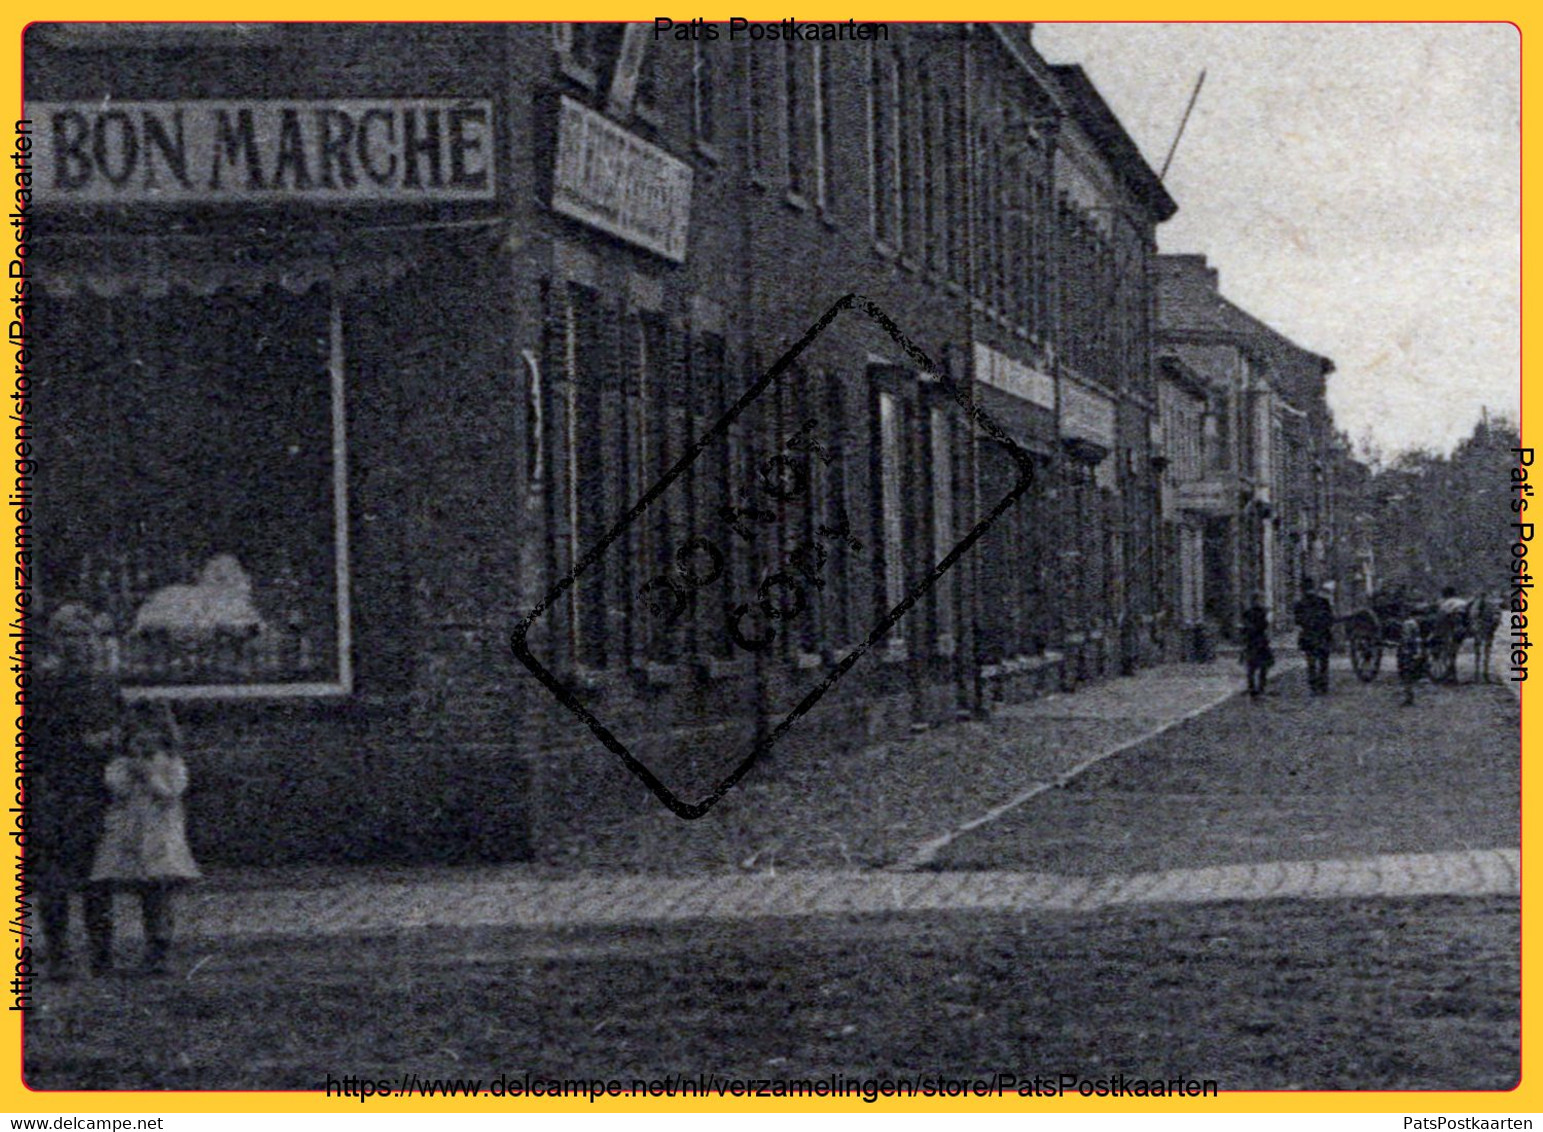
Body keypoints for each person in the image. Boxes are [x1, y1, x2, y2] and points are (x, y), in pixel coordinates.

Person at [30, 603, 121, 980]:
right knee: (54, 875)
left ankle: (102, 954)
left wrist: (114, 742)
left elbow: (124, 730)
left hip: (98, 787)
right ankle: (59, 953)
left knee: (99, 874)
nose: (78, 643)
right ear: (55, 640)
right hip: (55, 786)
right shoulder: (41, 686)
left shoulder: (105, 686)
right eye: (68, 634)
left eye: (84, 635)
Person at [89, 705, 201, 975]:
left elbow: (171, 792)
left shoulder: (171, 763)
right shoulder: (119, 765)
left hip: (160, 836)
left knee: (159, 895)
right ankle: (107, 954)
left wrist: (149, 774)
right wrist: (133, 770)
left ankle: (158, 951)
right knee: (121, 888)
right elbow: (117, 788)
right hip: (127, 834)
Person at [1293, 577, 1336, 695]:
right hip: (1322, 635)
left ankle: (1314, 687)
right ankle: (1323, 685)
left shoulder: (1299, 604)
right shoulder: (1323, 601)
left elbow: (1297, 621)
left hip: (1309, 635)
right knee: (1323, 662)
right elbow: (1330, 618)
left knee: (1311, 662)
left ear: (1302, 589)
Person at [1240, 592, 1273, 698]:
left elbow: (1244, 628)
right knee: (1260, 666)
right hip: (1259, 641)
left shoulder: (1248, 613)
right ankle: (1259, 687)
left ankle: (1253, 688)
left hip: (1252, 642)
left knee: (1253, 667)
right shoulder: (1261, 612)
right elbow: (1264, 626)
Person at [1396, 615, 1426, 705]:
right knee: (1410, 673)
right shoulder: (1413, 625)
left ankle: (1409, 696)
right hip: (1411, 652)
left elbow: (1407, 639)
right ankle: (1409, 696)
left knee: (1407, 673)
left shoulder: (1408, 624)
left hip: (1408, 652)